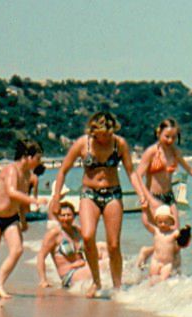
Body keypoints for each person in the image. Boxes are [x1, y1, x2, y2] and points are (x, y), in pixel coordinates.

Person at [50, 112, 147, 297]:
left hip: (113, 194)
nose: (105, 139)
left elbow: (131, 172)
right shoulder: (82, 143)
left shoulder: (119, 144)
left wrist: (142, 194)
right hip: (89, 194)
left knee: (113, 245)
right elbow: (63, 170)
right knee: (87, 236)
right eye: (101, 135)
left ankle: (117, 287)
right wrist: (56, 198)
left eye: (108, 134)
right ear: (93, 131)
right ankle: (96, 281)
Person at [136, 118, 192, 230]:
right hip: (153, 196)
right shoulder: (151, 152)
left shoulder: (175, 152)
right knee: (161, 235)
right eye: (167, 136)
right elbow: (137, 176)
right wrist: (147, 198)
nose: (170, 140)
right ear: (159, 133)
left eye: (173, 137)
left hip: (169, 197)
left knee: (176, 234)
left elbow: (191, 170)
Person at [0, 140, 47, 298]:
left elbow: (20, 201)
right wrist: (35, 201)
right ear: (27, 156)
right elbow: (12, 192)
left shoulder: (28, 175)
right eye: (37, 158)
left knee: (17, 250)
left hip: (11, 218)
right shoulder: (11, 170)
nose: (39, 162)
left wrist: (23, 220)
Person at [37, 202, 95, 289]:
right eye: (63, 215)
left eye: (69, 215)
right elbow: (41, 256)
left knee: (104, 251)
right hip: (69, 275)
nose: (66, 218)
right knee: (103, 267)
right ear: (58, 217)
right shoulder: (54, 234)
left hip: (83, 269)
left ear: (74, 216)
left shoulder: (78, 231)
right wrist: (43, 280)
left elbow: (90, 250)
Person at [135, 205, 185, 284]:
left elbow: (182, 238)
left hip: (167, 263)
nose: (163, 224)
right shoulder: (156, 231)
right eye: (160, 222)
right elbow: (146, 223)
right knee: (152, 278)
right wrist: (144, 211)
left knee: (163, 280)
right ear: (156, 222)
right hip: (156, 261)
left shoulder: (174, 233)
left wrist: (186, 234)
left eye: (166, 222)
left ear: (171, 222)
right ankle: (148, 289)